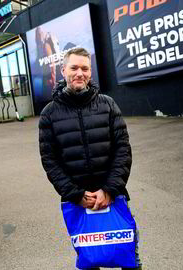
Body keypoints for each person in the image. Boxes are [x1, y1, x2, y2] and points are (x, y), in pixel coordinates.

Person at [38, 48, 141, 269]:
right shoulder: (49, 113)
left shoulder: (108, 105)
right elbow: (50, 160)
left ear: (90, 71)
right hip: (77, 203)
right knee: (90, 261)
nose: (79, 73)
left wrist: (110, 189)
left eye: (84, 68)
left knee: (128, 258)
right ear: (63, 70)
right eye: (74, 67)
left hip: (114, 197)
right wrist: (75, 194)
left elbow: (123, 149)